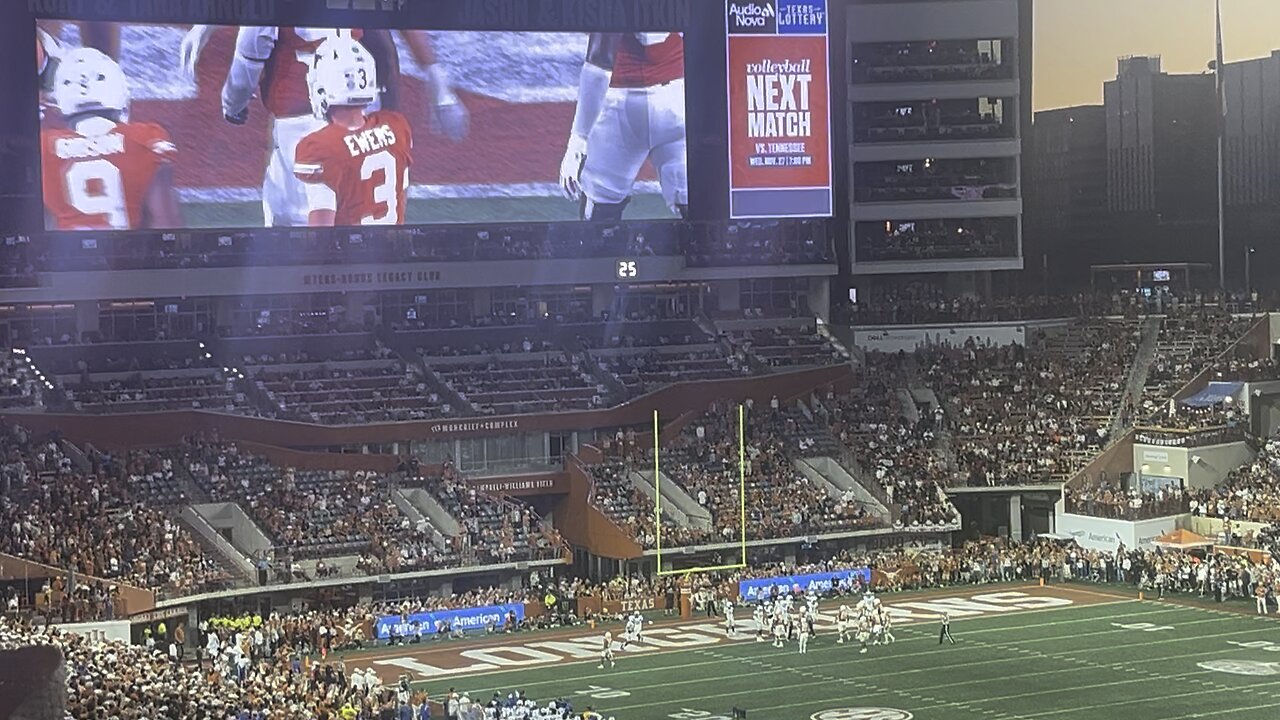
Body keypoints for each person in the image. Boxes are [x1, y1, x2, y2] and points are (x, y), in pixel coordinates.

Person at [40, 48, 181, 230]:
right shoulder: (145, 138)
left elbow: (39, 229)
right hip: (128, 254)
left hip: (69, 256)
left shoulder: (43, 146)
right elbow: (164, 222)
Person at [558, 32, 687, 221]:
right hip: (679, 98)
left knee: (600, 210)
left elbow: (598, 68)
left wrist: (578, 140)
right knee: (692, 202)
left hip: (623, 105)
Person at [294, 36, 414, 227]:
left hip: (350, 254)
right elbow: (401, 194)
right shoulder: (396, 126)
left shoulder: (318, 147)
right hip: (392, 250)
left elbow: (320, 234)